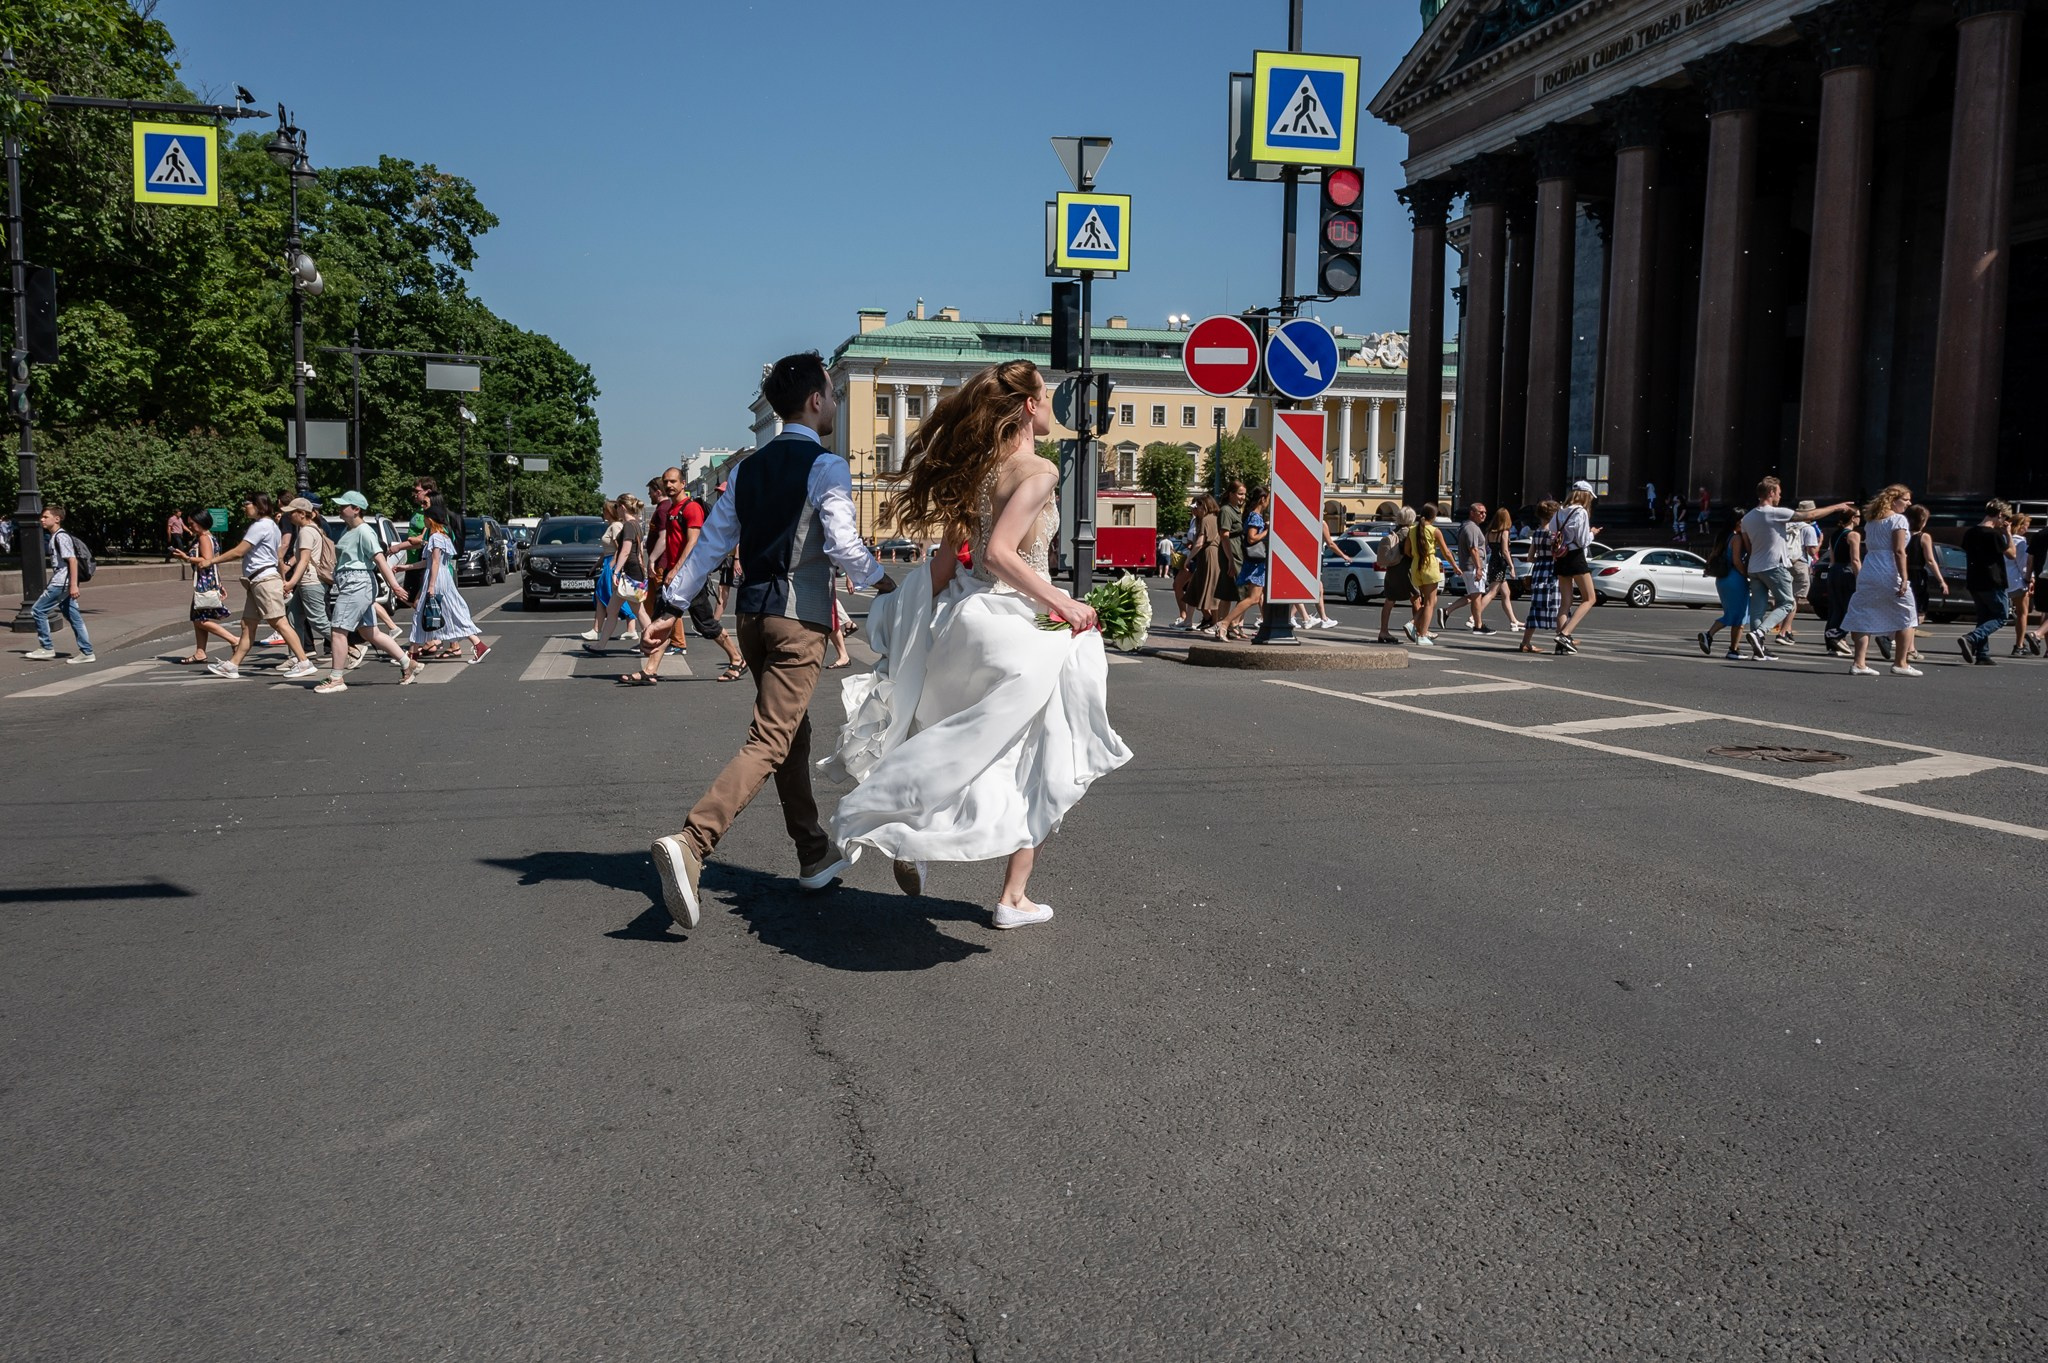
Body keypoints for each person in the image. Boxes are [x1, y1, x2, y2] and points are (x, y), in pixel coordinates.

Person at [823, 358, 1131, 931]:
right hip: (1018, 624)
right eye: (1046, 397)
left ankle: (909, 831)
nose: (1052, 406)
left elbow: (946, 565)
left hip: (967, 620)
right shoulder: (1039, 470)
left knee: (953, 739)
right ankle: (1012, 897)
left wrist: (918, 621)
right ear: (1029, 407)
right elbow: (1000, 554)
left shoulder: (978, 472)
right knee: (1044, 754)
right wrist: (1063, 604)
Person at [645, 350, 897, 929]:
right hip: (798, 619)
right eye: (831, 394)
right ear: (815, 399)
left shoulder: (747, 470)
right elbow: (842, 544)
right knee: (771, 739)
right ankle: (692, 841)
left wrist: (671, 605)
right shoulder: (827, 465)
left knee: (792, 734)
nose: (834, 404)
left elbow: (711, 544)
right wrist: (884, 582)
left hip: (753, 620)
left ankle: (813, 852)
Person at [618, 467, 747, 685]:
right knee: (662, 621)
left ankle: (737, 659)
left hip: (689, 578)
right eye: (666, 482)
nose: (669, 485)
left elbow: (693, 542)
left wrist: (676, 569)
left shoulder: (691, 508)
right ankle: (650, 670)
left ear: (683, 483)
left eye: (673, 481)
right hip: (673, 576)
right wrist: (655, 561)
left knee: (706, 624)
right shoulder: (671, 509)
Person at [315, 491, 423, 692]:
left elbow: (380, 560)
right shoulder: (348, 530)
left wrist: (395, 586)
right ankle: (408, 663)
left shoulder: (364, 531)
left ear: (356, 509)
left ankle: (337, 678)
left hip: (357, 583)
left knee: (338, 630)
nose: (339, 509)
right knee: (370, 632)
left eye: (344, 506)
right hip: (354, 583)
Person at [1736, 479, 1853, 660]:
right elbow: (1810, 514)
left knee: (1758, 609)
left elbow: (1748, 546)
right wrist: (1836, 507)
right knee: (1788, 603)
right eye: (1779, 492)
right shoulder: (1775, 513)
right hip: (1774, 565)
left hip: (1755, 567)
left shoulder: (1747, 518)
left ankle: (1759, 649)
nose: (1780, 496)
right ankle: (1759, 633)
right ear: (1771, 493)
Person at [201, 494, 315, 680]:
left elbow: (239, 551)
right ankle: (232, 665)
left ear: (258, 505)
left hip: (263, 580)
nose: (244, 507)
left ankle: (304, 662)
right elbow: (276, 555)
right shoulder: (272, 526)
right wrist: (281, 578)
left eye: (247, 503)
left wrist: (211, 561)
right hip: (259, 581)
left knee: (279, 622)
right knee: (248, 624)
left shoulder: (260, 526)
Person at [1842, 484, 1921, 677]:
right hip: (1889, 570)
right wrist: (1904, 577)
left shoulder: (1871, 521)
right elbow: (1899, 551)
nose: (1909, 503)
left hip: (1870, 568)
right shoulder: (1898, 520)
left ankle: (1859, 663)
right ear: (1893, 500)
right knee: (1907, 613)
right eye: (1905, 499)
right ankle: (1901, 662)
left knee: (1863, 612)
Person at [408, 511, 490, 663]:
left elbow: (435, 562)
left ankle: (412, 655)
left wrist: (431, 586)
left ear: (430, 519)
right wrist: (405, 567)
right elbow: (429, 562)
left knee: (421, 613)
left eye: (425, 518)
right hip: (443, 578)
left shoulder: (436, 538)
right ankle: (479, 645)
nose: (423, 521)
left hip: (437, 579)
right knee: (451, 612)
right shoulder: (443, 537)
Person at [24, 505, 95, 665]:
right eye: (42, 517)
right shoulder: (56, 537)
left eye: (45, 517)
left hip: (61, 583)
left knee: (38, 610)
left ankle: (46, 647)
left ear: (57, 519)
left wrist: (73, 585)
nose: (42, 520)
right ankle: (87, 652)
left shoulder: (60, 537)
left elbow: (72, 561)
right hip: (64, 582)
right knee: (74, 617)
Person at [169, 505, 239, 664]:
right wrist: (219, 582)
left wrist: (186, 558)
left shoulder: (203, 538)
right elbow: (215, 561)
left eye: (192, 524)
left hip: (204, 581)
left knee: (200, 619)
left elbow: (206, 560)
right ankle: (200, 652)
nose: (190, 527)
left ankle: (234, 639)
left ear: (200, 522)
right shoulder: (210, 537)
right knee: (199, 617)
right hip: (209, 580)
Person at [1957, 500, 2014, 666]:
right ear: (2000, 514)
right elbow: (2012, 554)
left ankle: (1982, 654)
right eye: (2005, 518)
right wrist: (2008, 534)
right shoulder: (1994, 534)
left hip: (1974, 580)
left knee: (1983, 617)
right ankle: (1971, 638)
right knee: (2001, 617)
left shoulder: (1970, 532)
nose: (2004, 522)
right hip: (1993, 580)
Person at [279, 497, 334, 659]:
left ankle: (351, 645)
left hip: (310, 582)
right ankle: (297, 658)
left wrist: (291, 583)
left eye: (292, 513)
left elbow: (304, 560)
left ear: (302, 514)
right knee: (293, 619)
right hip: (309, 581)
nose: (289, 516)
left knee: (318, 621)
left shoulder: (306, 532)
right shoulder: (313, 529)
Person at [1212, 488, 1270, 640]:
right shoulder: (1255, 517)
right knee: (1253, 598)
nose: (1269, 502)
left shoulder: (1252, 515)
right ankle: (1224, 623)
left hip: (1254, 561)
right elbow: (1251, 538)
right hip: (1256, 563)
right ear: (1262, 499)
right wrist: (1268, 531)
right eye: (1268, 499)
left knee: (1255, 597)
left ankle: (1231, 623)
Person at [585, 497, 643, 646]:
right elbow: (638, 550)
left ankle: (649, 640)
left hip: (621, 567)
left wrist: (614, 569)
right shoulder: (631, 524)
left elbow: (623, 550)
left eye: (616, 507)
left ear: (621, 508)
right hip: (622, 566)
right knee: (610, 606)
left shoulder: (623, 526)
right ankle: (600, 643)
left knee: (638, 610)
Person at [1550, 482, 1600, 654]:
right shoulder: (1581, 512)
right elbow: (1582, 541)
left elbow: (1552, 531)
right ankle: (1565, 635)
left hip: (1560, 557)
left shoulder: (1559, 512)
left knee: (1565, 602)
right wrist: (1592, 533)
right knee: (1590, 598)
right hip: (1575, 556)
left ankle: (1561, 644)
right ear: (1585, 496)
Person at [1699, 525, 1752, 660]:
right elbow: (1737, 561)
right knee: (1740, 615)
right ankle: (1722, 642)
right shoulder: (1736, 538)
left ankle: (1731, 647)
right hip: (1735, 578)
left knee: (1733, 613)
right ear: (1737, 522)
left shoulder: (1723, 537)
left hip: (1722, 579)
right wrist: (1747, 575)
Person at [1402, 504, 1446, 647]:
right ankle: (1421, 634)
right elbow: (1446, 552)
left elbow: (1406, 550)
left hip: (1416, 566)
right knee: (1429, 603)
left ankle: (1413, 623)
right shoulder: (1434, 530)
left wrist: (1416, 556)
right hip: (1429, 565)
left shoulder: (1412, 530)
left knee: (1429, 601)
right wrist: (1456, 567)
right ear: (1433, 516)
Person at [1473, 506, 1522, 633]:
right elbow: (1505, 551)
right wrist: (1511, 566)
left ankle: (1513, 620)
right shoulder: (1504, 532)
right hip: (1500, 563)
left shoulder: (1489, 532)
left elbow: (1483, 547)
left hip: (1492, 561)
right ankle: (1474, 616)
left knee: (1506, 593)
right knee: (1492, 592)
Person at [1820, 507, 1863, 655]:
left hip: (1834, 571)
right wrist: (1860, 578)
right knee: (1848, 606)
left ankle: (1832, 642)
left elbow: (1832, 558)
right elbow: (1855, 559)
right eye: (1858, 516)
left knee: (1835, 607)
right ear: (1852, 518)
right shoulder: (1853, 535)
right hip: (1847, 571)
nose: (1860, 519)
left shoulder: (1835, 534)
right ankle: (1838, 635)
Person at [1521, 499, 1561, 654]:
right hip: (1552, 572)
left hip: (1538, 572)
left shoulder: (1537, 533)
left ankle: (1525, 642)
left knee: (1536, 607)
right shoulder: (1554, 534)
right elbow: (1558, 554)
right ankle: (1563, 636)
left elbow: (1530, 557)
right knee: (1558, 604)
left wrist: (1541, 559)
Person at [1183, 494, 1228, 631]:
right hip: (1213, 554)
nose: (1197, 509)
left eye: (1199, 506)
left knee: (1208, 588)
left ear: (1206, 505)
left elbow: (1199, 543)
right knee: (1201, 588)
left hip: (1209, 554)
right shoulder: (1216, 518)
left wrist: (1188, 559)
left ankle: (1214, 622)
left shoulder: (1206, 519)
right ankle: (1210, 619)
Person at [1376, 504, 1415, 645]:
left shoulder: (1394, 532)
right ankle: (1416, 629)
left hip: (1392, 569)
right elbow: (1410, 552)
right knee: (1417, 599)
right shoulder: (1409, 533)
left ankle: (1383, 631)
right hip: (1406, 570)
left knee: (1389, 600)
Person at [1905, 503, 1947, 631]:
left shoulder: (1901, 534)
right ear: (1923, 520)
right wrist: (1941, 581)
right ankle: (1905, 636)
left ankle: (1895, 636)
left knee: (1904, 606)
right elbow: (1930, 560)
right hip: (1917, 575)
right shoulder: (1923, 537)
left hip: (1902, 572)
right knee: (1919, 608)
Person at [1456, 502, 1490, 631]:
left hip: (1470, 566)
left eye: (1485, 512)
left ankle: (1478, 623)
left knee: (1475, 595)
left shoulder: (1469, 526)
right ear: (1472, 513)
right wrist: (1479, 568)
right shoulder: (1471, 527)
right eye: (1480, 512)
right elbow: (1473, 548)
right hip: (1473, 566)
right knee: (1476, 596)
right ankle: (1478, 625)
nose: (1483, 515)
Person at [2008, 513, 2034, 657]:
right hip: (2017, 580)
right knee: (2022, 613)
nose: (2027, 529)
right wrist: (2029, 579)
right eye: (2026, 526)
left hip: (2002, 579)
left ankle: (1979, 641)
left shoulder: (2004, 538)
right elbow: (2024, 564)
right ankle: (2019, 645)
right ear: (2020, 526)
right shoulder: (2021, 542)